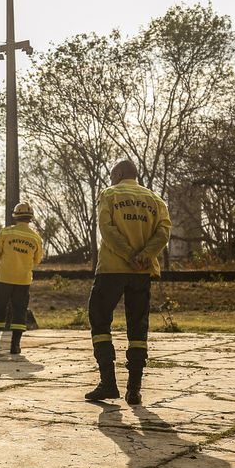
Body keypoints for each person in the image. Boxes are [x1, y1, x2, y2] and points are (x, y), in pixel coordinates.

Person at [85, 161, 170, 405]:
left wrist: (127, 254)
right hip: (141, 272)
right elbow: (163, 233)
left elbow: (107, 229)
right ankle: (134, 389)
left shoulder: (110, 194)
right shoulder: (155, 200)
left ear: (119, 174)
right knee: (138, 328)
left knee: (99, 320)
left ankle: (108, 382)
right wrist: (144, 256)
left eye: (112, 175)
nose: (111, 179)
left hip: (112, 269)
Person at [0, 201, 44, 355]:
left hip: (4, 278)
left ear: (15, 217)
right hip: (23, 280)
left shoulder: (6, 233)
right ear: (30, 218)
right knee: (19, 311)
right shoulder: (36, 238)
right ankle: (15, 345)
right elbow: (37, 260)